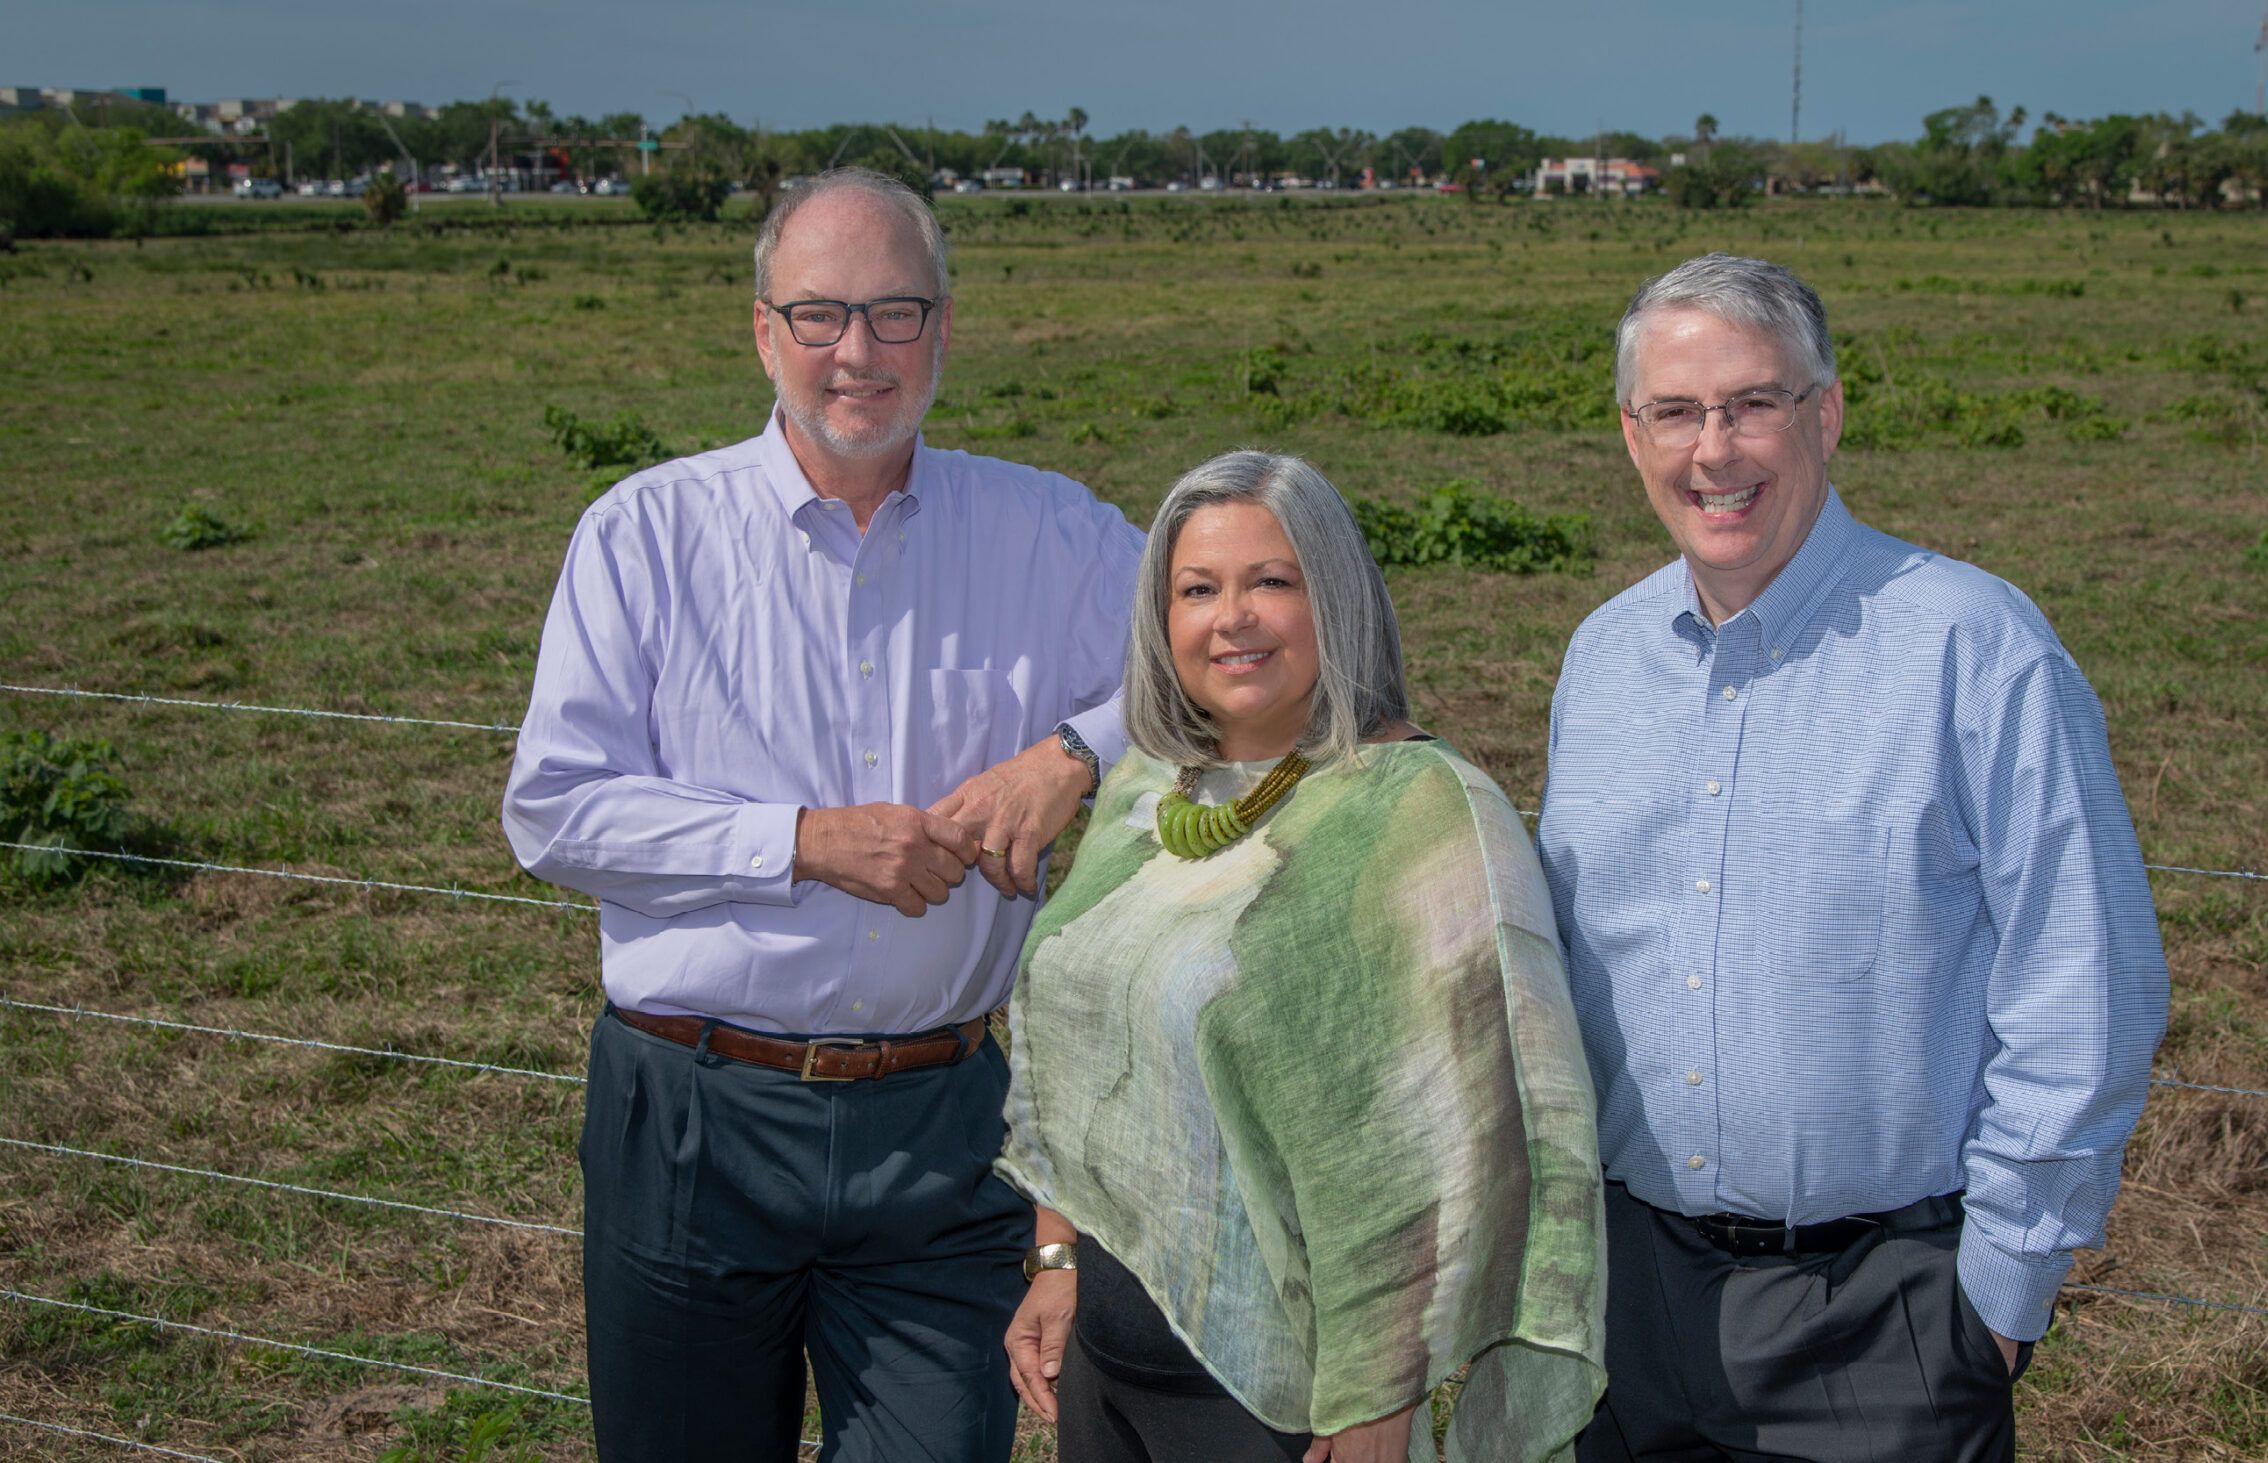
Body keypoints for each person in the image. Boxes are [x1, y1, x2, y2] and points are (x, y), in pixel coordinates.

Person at [501, 166, 1142, 1462]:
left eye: (896, 312)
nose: (858, 352)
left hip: (942, 1122)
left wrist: (1072, 755)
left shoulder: (1048, 532)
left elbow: (1214, 654)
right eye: (820, 314)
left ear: (945, 328)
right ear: (762, 331)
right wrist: (802, 840)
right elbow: (556, 810)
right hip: (692, 1110)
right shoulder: (645, 534)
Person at [1536, 253, 2170, 1462]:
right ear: (1631, 436)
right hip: (1632, 1303)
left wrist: (1994, 1295)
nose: (1712, 449)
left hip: (1888, 1313)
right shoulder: (1601, 660)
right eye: (1675, 411)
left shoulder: (1974, 647)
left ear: (1824, 413)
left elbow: (2086, 982)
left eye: (1751, 403)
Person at [996, 451, 1608, 1463]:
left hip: (1284, 1406)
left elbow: (1480, 1134)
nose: (1230, 616)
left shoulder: (1420, 807)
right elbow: (1077, 1037)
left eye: (1270, 581)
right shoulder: (1152, 789)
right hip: (1107, 1373)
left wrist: (1378, 1397)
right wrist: (1058, 1253)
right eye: (1198, 588)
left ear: (1336, 598)